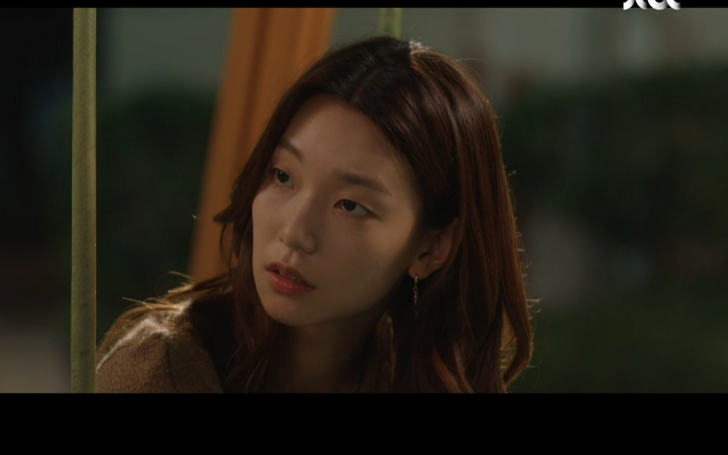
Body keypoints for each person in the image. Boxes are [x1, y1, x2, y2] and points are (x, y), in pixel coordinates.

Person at [95, 36, 534, 393]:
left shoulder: (410, 372)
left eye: (351, 205)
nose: (295, 232)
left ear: (432, 247)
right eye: (283, 176)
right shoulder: (165, 371)